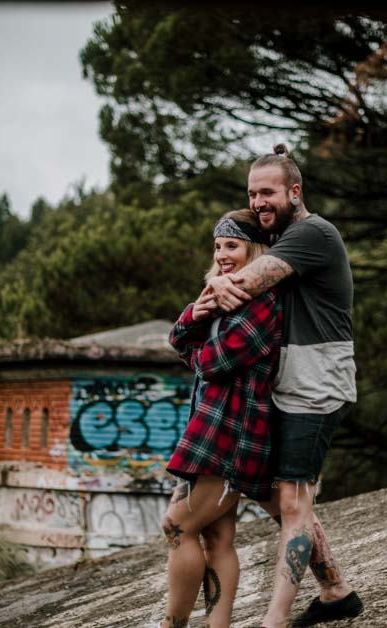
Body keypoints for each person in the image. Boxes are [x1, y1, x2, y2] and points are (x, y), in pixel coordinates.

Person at [205, 144, 363, 627]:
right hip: (286, 382)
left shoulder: (312, 233)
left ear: (295, 192)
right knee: (269, 491)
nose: (257, 202)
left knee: (294, 500)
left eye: (268, 192)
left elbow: (242, 284)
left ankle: (274, 621)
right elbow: (228, 284)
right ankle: (335, 590)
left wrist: (219, 286)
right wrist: (220, 285)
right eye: (252, 194)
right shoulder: (283, 240)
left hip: (317, 383)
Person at [160, 208, 283, 628]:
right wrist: (194, 314)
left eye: (232, 245)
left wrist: (195, 350)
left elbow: (215, 361)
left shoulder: (264, 303)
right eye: (218, 246)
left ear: (255, 249)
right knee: (217, 537)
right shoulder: (221, 294)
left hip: (233, 435)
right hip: (210, 430)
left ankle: (171, 625)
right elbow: (178, 339)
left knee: (176, 525)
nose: (223, 254)